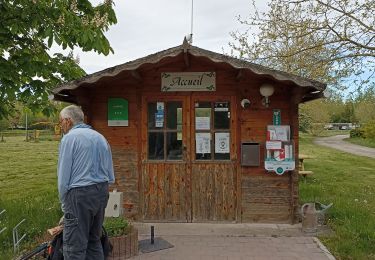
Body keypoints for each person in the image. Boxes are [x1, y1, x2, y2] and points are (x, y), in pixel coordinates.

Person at [57, 105, 115, 260]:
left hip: (79, 196)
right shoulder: (100, 137)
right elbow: (110, 174)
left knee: (74, 247)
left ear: (68, 121)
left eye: (61, 122)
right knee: (94, 241)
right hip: (102, 192)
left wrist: (64, 204)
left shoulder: (69, 138)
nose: (61, 126)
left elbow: (63, 177)